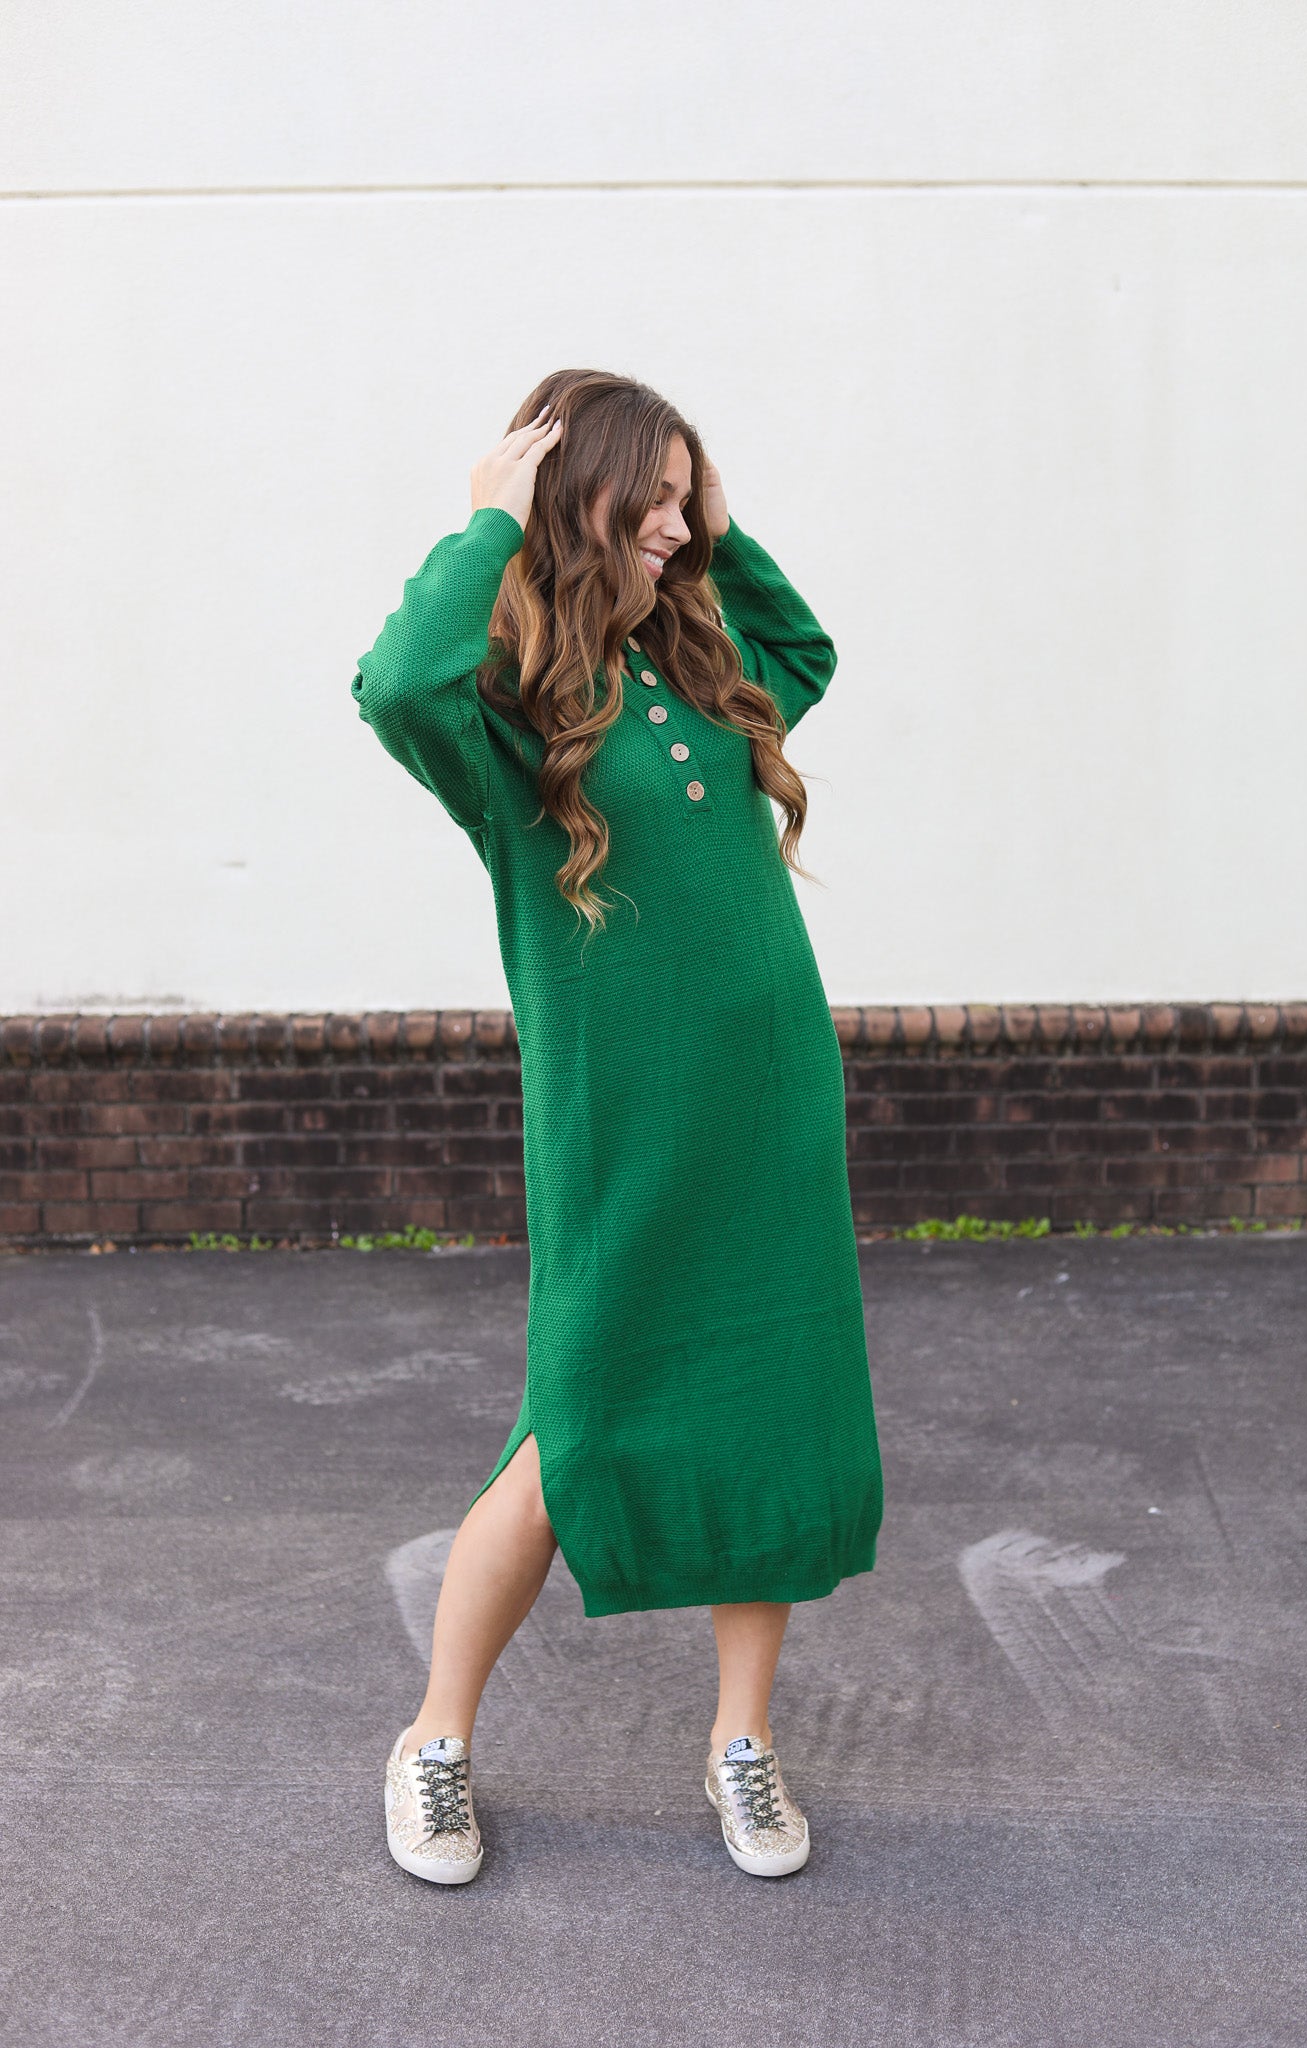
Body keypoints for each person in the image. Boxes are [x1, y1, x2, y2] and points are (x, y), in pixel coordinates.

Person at [351, 369, 884, 1885]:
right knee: (574, 1424)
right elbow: (396, 686)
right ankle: (434, 1740)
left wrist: (717, 522)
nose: (670, 523)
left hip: (769, 1109)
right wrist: (486, 523)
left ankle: (741, 1743)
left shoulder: (702, 661)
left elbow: (804, 647)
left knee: (769, 1404)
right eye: (646, 496)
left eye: (681, 494)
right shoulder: (509, 707)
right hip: (622, 1121)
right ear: (570, 498)